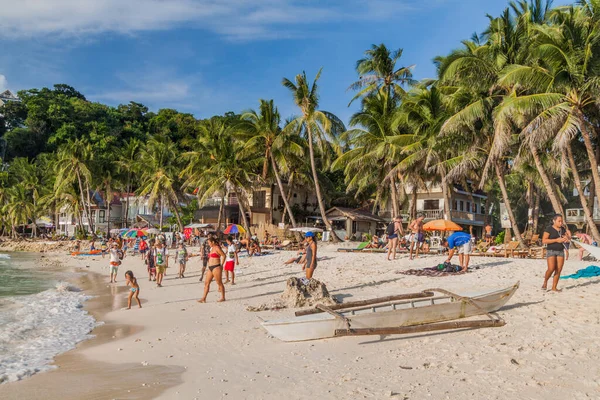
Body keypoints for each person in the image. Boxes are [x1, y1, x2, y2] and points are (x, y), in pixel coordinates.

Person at [542, 214, 569, 292]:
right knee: (551, 268)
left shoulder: (563, 229)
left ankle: (554, 287)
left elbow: (566, 239)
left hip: (561, 251)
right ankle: (545, 281)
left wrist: (566, 240)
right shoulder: (549, 229)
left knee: (558, 270)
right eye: (559, 221)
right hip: (551, 251)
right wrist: (556, 240)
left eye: (562, 221)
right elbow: (544, 240)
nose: (561, 223)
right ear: (554, 221)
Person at [198, 237, 226, 303]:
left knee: (219, 283)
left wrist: (221, 265)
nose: (208, 244)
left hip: (216, 267)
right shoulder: (212, 248)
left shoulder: (217, 248)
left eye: (209, 242)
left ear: (213, 242)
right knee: (206, 283)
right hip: (210, 267)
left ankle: (223, 297)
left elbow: (224, 255)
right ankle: (203, 298)